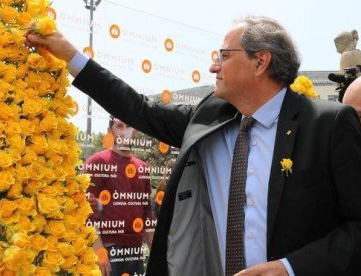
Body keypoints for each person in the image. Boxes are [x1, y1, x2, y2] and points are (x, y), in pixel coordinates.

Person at [26, 15, 361, 276]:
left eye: (224, 56)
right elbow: (139, 108)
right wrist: (69, 55)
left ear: (260, 62)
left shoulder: (328, 124)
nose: (213, 66)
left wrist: (290, 268)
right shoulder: (208, 117)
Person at [85, 116, 154, 276]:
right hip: (108, 250)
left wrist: (155, 252)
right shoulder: (97, 162)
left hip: (136, 251)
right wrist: (99, 251)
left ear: (136, 132)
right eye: (119, 126)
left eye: (129, 126)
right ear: (110, 131)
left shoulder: (143, 167)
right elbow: (87, 212)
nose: (125, 132)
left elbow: (147, 213)